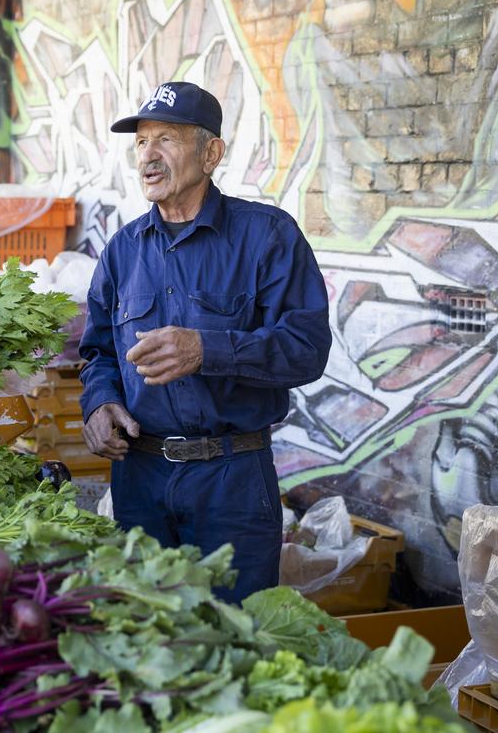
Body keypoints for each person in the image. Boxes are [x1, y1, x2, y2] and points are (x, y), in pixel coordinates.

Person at [79, 82, 331, 603]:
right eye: (141, 142)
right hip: (139, 478)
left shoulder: (268, 236)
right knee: (142, 637)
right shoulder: (123, 251)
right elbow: (98, 350)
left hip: (231, 480)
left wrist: (207, 350)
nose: (148, 156)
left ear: (211, 152)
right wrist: (99, 403)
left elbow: (307, 347)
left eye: (166, 139)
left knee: (235, 641)